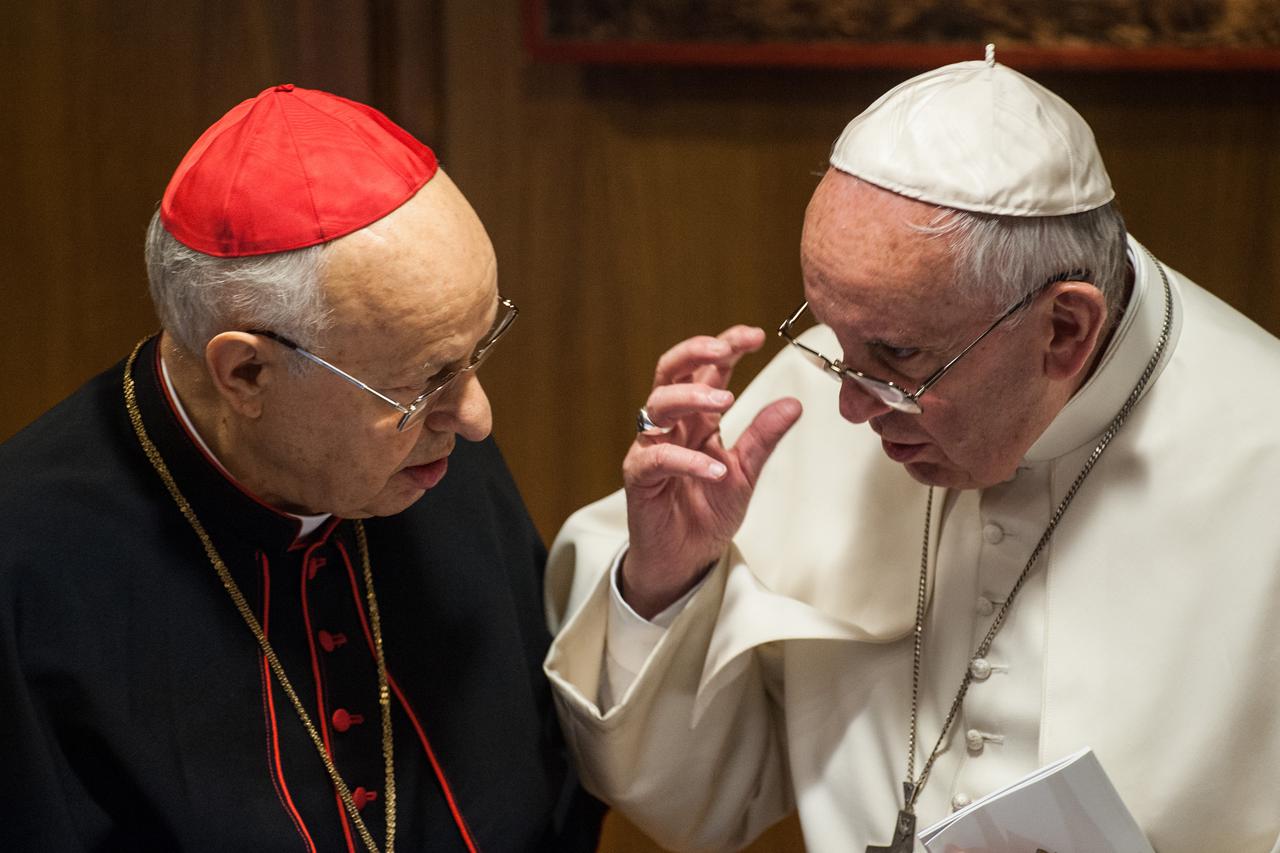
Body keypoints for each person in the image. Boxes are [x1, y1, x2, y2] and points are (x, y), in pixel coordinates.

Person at [543, 52, 1280, 852]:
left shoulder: (1261, 446)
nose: (850, 406)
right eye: (831, 335)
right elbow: (707, 795)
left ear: (1064, 329)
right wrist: (668, 581)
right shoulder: (814, 404)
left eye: (897, 358)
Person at [0, 84, 602, 851]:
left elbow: (549, 791)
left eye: (480, 349)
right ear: (245, 374)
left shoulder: (434, 457)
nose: (476, 418)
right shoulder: (25, 572)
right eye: (422, 382)